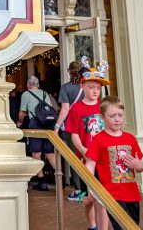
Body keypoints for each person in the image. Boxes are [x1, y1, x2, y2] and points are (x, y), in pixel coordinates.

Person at [85, 95, 143, 230]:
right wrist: (91, 187)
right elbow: (90, 164)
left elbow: (141, 165)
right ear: (102, 117)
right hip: (111, 195)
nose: (117, 119)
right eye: (112, 116)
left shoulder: (130, 138)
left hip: (132, 194)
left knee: (133, 226)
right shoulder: (98, 140)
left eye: (120, 115)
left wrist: (138, 165)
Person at [64, 62, 111, 230]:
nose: (95, 91)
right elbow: (74, 134)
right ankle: (92, 225)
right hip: (87, 160)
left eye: (98, 88)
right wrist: (83, 150)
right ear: (82, 86)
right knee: (89, 199)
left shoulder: (104, 107)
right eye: (91, 87)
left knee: (103, 199)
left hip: (104, 159)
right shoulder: (76, 108)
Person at [17, 75, 58, 191]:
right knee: (50, 152)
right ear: (38, 85)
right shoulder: (45, 93)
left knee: (36, 152)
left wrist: (20, 121)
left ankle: (42, 181)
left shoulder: (26, 94)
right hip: (49, 124)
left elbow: (22, 112)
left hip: (35, 124)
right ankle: (60, 177)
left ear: (27, 85)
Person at [54, 60, 85, 202]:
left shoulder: (66, 88)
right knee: (87, 157)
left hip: (71, 127)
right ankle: (90, 188)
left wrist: (57, 126)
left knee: (74, 158)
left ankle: (78, 190)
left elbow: (65, 109)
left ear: (69, 72)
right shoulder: (87, 87)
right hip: (87, 126)